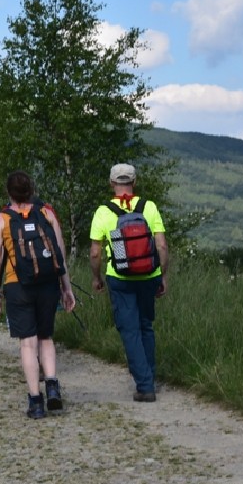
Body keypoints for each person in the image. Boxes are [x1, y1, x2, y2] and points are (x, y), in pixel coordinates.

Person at [0, 172, 76, 419]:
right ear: (31, 190)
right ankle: (52, 385)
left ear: (9, 193)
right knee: (45, 337)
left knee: (28, 343)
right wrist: (66, 288)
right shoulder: (47, 214)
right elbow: (59, 254)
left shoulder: (1, 220)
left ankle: (36, 401)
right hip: (48, 284)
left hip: (17, 286)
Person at [89, 163, 169, 403]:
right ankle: (148, 376)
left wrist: (96, 277)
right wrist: (162, 276)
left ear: (111, 183)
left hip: (120, 277)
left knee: (130, 330)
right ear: (134, 182)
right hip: (149, 275)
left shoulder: (104, 212)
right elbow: (161, 246)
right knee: (145, 326)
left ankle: (145, 385)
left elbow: (95, 252)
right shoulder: (148, 207)